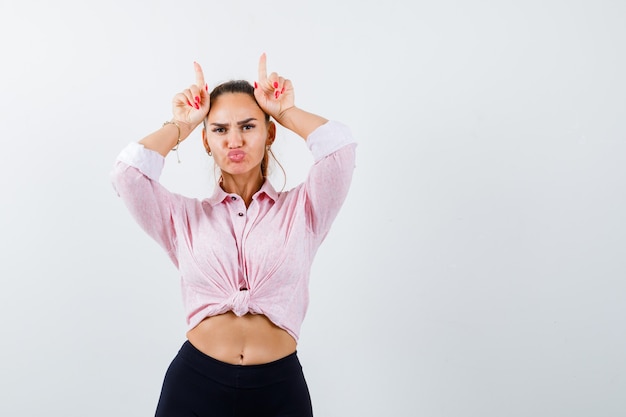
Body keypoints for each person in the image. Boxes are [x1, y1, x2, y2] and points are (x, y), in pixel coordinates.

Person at [110, 53, 357, 417]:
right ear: (206, 141)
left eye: (248, 126)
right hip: (195, 385)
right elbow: (127, 175)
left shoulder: (304, 209)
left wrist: (286, 112)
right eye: (220, 129)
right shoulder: (183, 217)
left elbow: (339, 149)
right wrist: (182, 124)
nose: (234, 140)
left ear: (269, 133)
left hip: (278, 391)